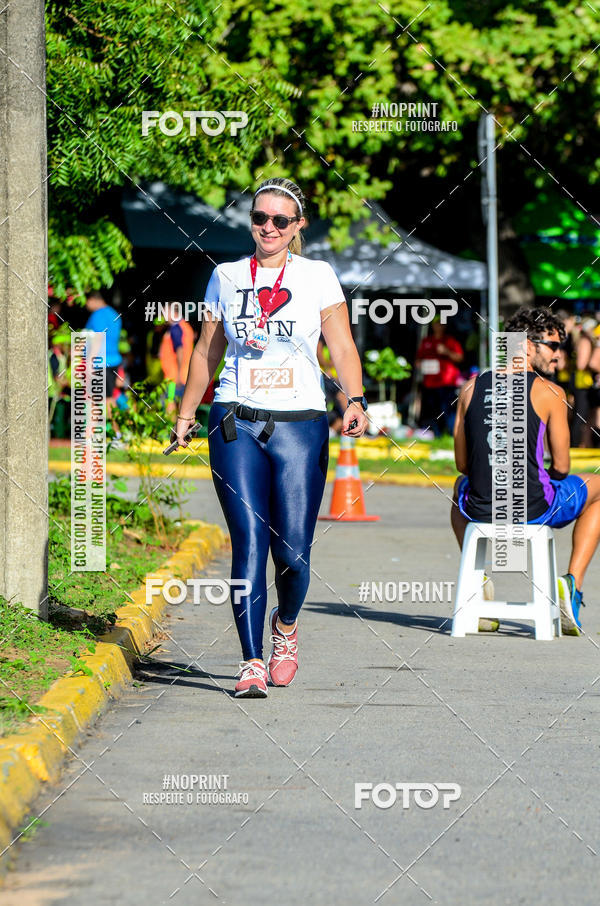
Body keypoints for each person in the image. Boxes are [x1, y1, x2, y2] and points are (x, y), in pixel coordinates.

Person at [171, 177, 369, 696]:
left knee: (294, 553)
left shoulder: (318, 276)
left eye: (281, 220)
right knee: (249, 542)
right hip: (235, 418)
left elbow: (342, 346)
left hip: (301, 423)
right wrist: (186, 412)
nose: (269, 228)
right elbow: (205, 352)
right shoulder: (226, 275)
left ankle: (285, 627)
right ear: (251, 221)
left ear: (298, 225)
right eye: (260, 218)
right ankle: (251, 661)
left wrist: (355, 398)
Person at [451, 306, 600, 637]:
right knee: (599, 487)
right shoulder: (551, 393)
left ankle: (478, 582)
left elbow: (463, 465)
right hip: (533, 508)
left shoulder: (469, 389)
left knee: (459, 488)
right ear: (527, 346)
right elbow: (562, 467)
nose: (559, 357)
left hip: (480, 509)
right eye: (554, 346)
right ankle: (571, 586)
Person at [415, 316, 464, 436]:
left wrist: (446, 351)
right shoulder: (426, 341)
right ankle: (436, 434)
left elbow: (460, 358)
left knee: (448, 410)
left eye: (441, 324)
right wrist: (420, 365)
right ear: (433, 326)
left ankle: (453, 434)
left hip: (447, 383)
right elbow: (418, 360)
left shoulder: (451, 341)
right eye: (437, 324)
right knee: (432, 410)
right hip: (430, 383)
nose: (439, 326)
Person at [84, 290, 122, 426]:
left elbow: (98, 338)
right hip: (113, 360)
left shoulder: (98, 315)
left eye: (87, 301)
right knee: (106, 397)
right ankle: (115, 433)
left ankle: (114, 433)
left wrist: (89, 361)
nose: (86, 305)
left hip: (101, 362)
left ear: (93, 300)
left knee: (101, 399)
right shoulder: (113, 314)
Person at [159, 302, 195, 415]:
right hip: (184, 375)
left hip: (174, 378)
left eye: (164, 312)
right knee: (183, 408)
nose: (162, 315)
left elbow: (180, 350)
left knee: (170, 405)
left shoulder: (175, 328)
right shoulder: (185, 326)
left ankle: (172, 431)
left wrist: (178, 374)